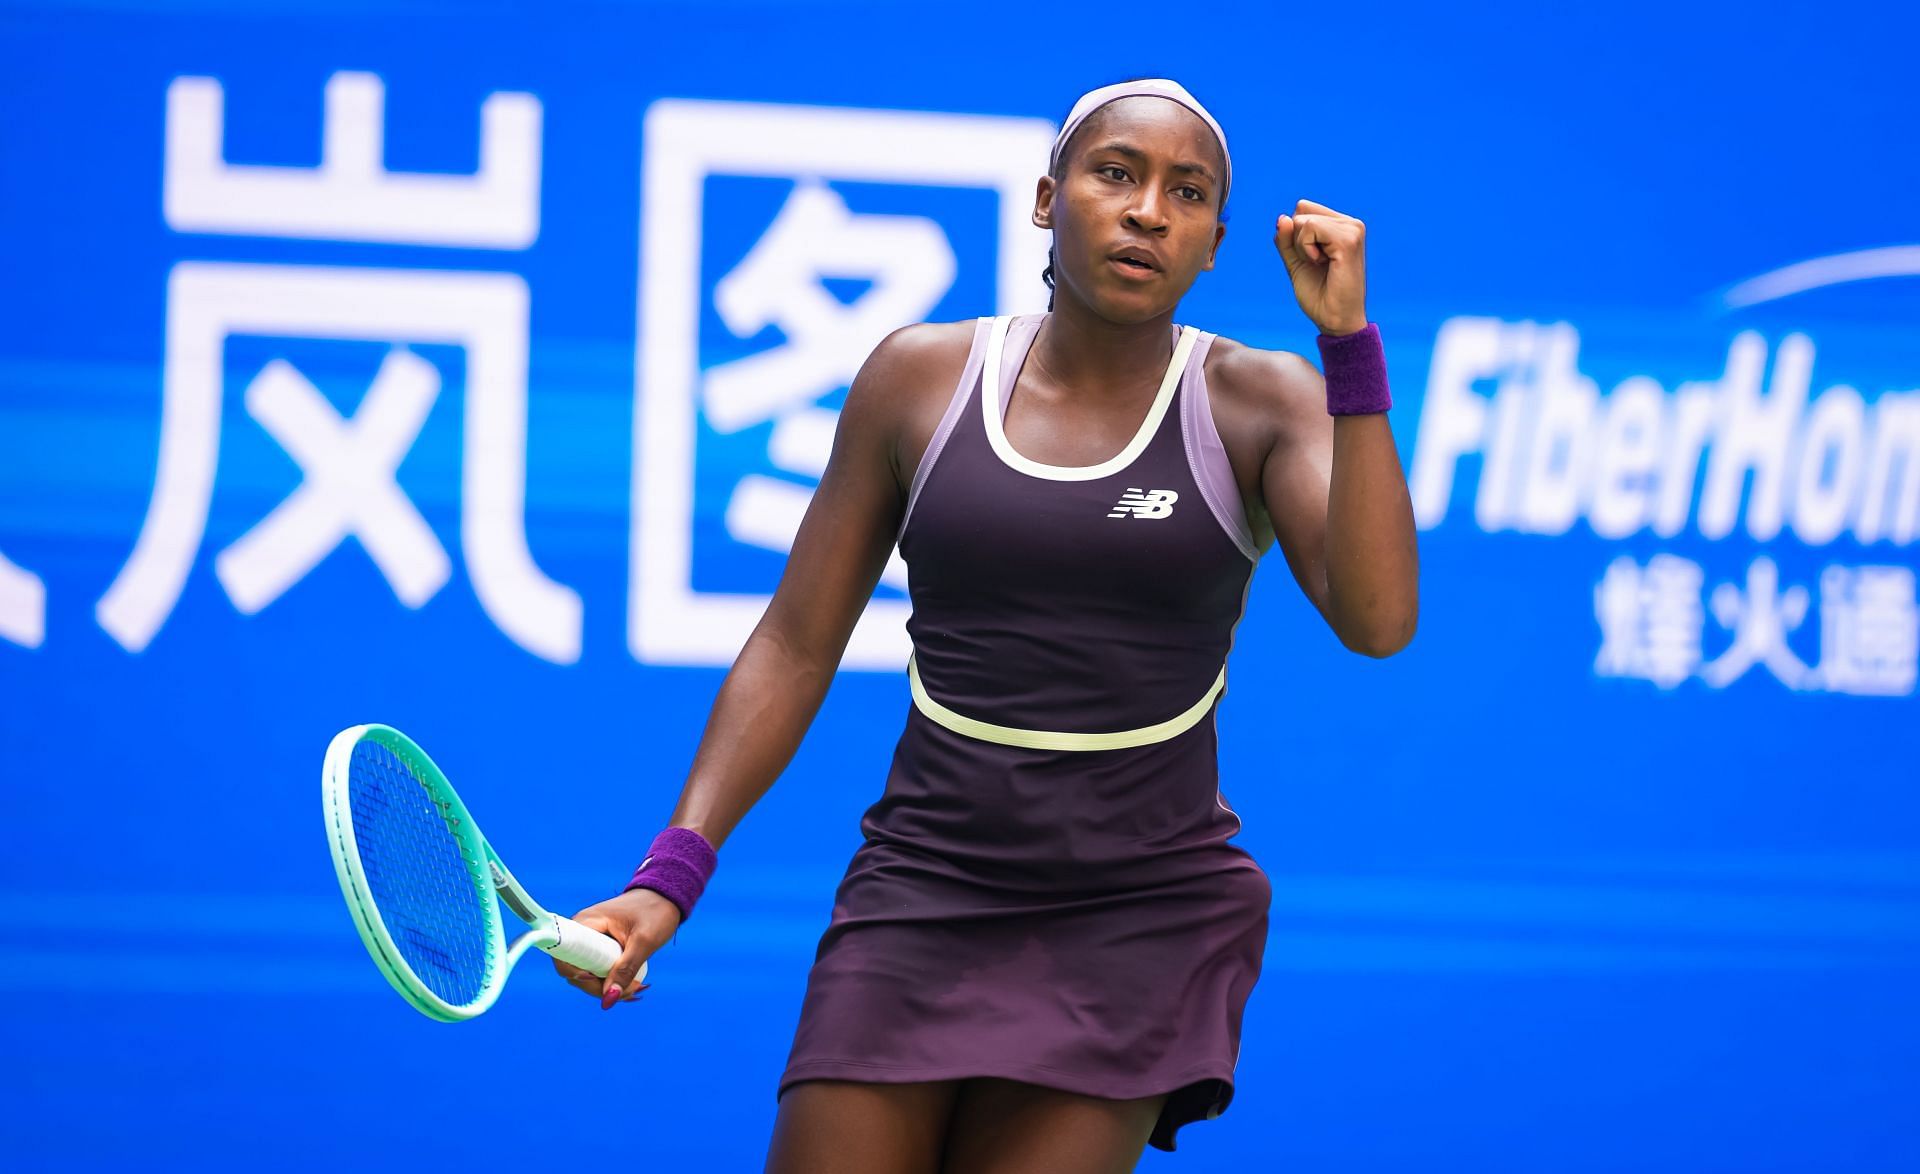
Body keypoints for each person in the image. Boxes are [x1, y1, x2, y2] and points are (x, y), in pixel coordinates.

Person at [554, 78, 1420, 1172]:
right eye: (1116, 173)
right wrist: (668, 874)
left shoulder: (1264, 398)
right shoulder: (919, 378)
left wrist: (1350, 351)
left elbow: (1379, 619)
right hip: (924, 885)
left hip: (1135, 911)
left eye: (1187, 193)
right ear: (1048, 201)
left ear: (1213, 245)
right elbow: (794, 642)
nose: (1149, 208)